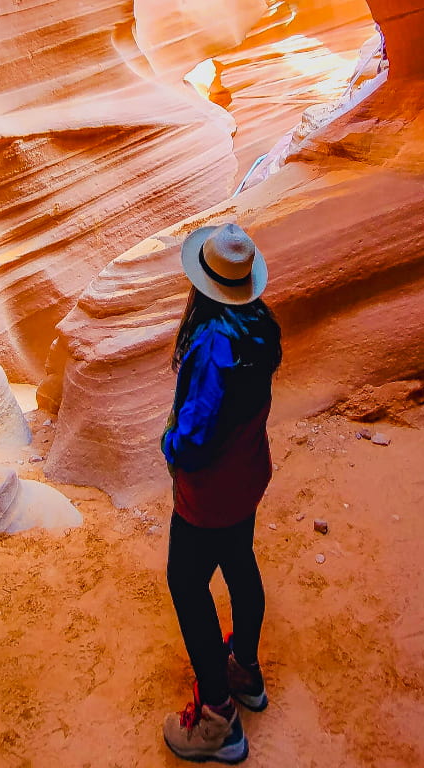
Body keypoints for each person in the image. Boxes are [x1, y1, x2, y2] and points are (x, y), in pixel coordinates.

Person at [160, 222, 282, 763]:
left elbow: (196, 430)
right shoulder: (261, 325)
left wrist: (170, 445)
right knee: (239, 563)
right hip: (247, 479)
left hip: (208, 495)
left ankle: (217, 720)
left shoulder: (213, 342)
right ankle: (246, 675)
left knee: (186, 585)